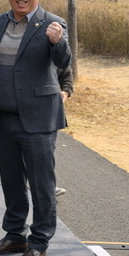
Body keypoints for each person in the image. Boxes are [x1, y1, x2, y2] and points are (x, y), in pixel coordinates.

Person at [0, 0, 71, 256]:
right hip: (6, 117)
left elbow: (64, 61)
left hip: (38, 118)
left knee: (41, 184)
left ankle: (39, 242)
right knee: (11, 181)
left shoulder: (53, 23)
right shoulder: (0, 22)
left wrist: (57, 41)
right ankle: (14, 235)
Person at [55, 66, 73, 197]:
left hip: (48, 111)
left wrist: (65, 93)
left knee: (46, 153)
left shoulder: (56, 54)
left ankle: (48, 187)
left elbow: (66, 74)